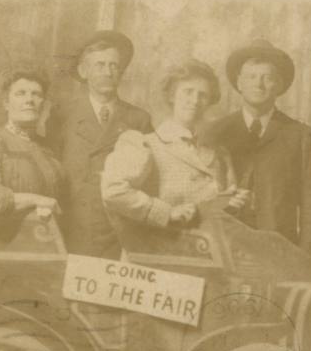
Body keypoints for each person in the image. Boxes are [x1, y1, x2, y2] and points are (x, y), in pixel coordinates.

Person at [207, 39, 311, 259]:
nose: (258, 84)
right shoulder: (216, 132)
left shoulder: (299, 134)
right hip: (223, 246)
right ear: (238, 82)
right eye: (251, 77)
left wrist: (306, 261)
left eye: (267, 77)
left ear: (279, 85)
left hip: (278, 250)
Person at [101, 59, 247, 230]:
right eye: (188, 92)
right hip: (157, 251)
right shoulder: (144, 144)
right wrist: (165, 212)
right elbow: (113, 191)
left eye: (203, 95)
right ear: (172, 96)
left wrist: (230, 203)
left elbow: (219, 213)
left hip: (205, 251)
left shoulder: (219, 155)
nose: (194, 100)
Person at [45, 30, 154, 259]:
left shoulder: (138, 119)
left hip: (121, 232)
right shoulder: (62, 115)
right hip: (74, 228)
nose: (108, 72)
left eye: (114, 66)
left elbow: (151, 182)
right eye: (100, 65)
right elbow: (49, 171)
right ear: (84, 71)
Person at [0, 65, 64, 238]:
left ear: (43, 104)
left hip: (44, 243)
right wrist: (37, 199)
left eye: (36, 94)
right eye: (20, 93)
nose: (29, 100)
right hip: (5, 247)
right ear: (6, 103)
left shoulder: (47, 149)